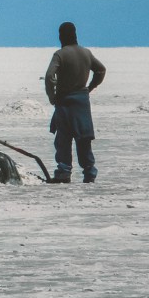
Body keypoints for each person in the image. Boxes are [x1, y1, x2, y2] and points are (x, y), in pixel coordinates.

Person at [44, 21, 106, 183]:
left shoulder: (60, 54)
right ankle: (89, 171)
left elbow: (50, 76)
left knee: (63, 138)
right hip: (82, 103)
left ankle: (64, 172)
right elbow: (101, 70)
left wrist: (53, 96)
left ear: (61, 36)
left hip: (64, 102)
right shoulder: (86, 53)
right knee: (84, 137)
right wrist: (89, 88)